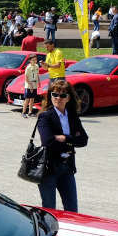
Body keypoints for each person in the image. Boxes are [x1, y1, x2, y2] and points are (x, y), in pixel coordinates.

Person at [36, 79, 89, 212]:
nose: (58, 98)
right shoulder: (45, 116)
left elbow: (83, 140)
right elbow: (48, 142)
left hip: (67, 167)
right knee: (49, 210)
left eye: (62, 95)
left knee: (72, 210)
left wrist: (64, 138)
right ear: (50, 96)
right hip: (49, 169)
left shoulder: (72, 116)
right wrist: (71, 141)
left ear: (68, 98)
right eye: (55, 94)